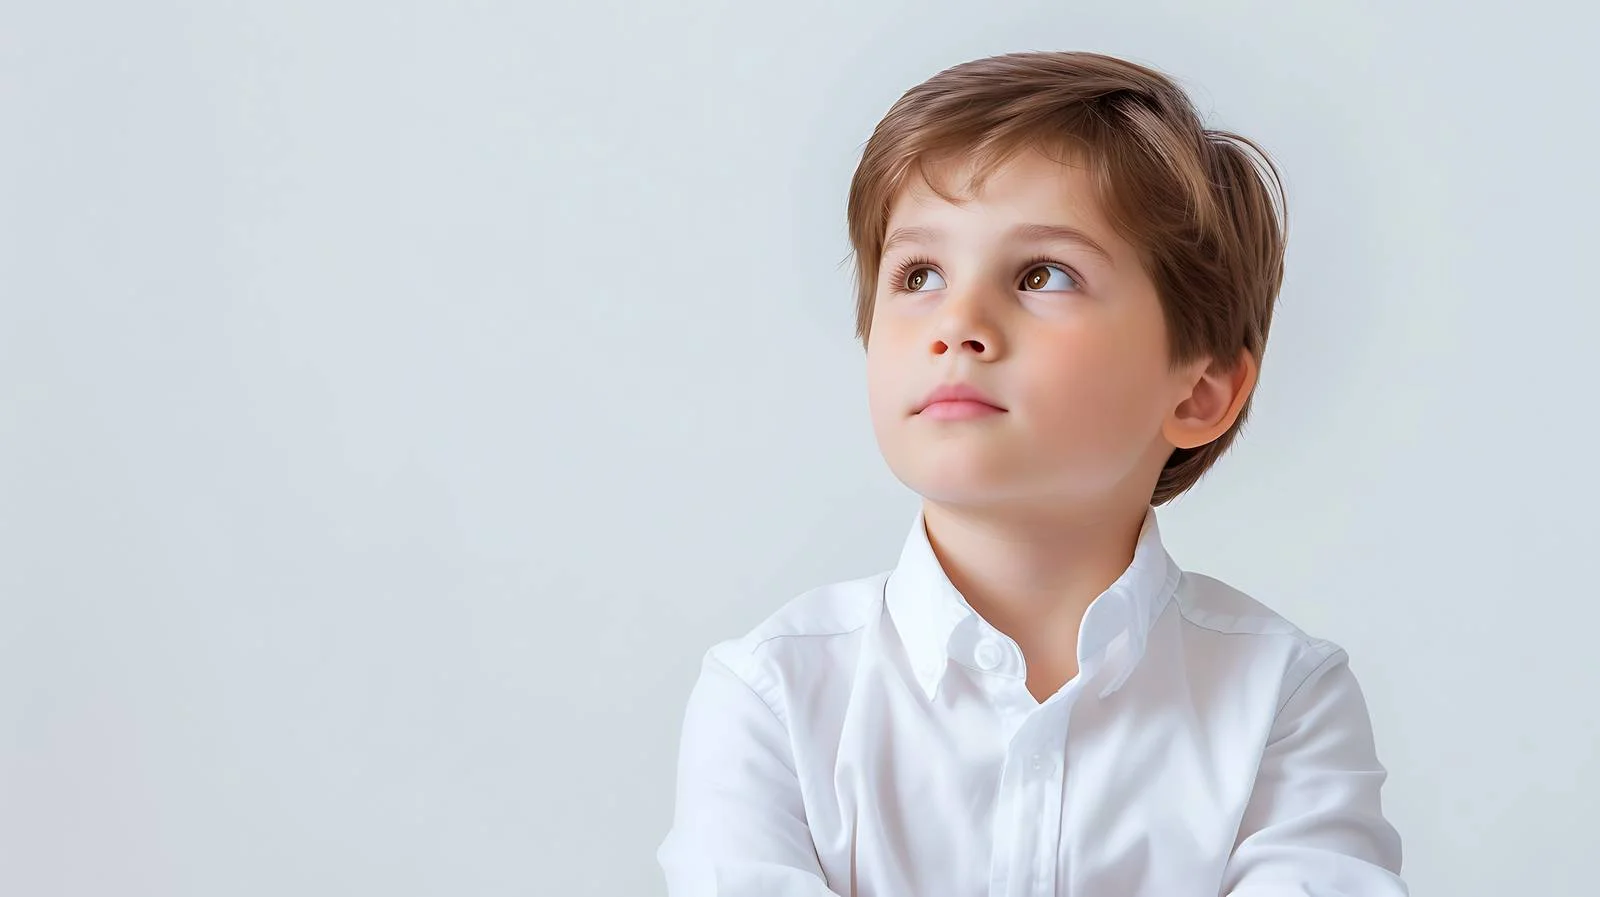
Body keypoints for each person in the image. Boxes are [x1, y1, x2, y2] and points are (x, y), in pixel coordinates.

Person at [656, 50, 1406, 897]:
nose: (957, 322)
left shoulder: (1283, 702)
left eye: (1043, 274)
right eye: (919, 274)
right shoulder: (772, 697)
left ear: (1198, 392)